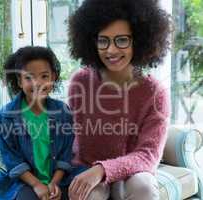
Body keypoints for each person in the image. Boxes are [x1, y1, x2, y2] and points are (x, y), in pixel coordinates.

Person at [67, 0, 171, 199]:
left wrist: (102, 170)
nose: (111, 50)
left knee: (145, 187)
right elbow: (71, 138)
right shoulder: (80, 82)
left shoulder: (155, 92)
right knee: (86, 193)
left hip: (132, 173)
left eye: (121, 40)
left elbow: (147, 155)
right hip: (87, 169)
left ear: (139, 41)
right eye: (103, 40)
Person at [0, 46, 75, 200]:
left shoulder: (63, 112)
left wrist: (54, 183)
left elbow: (65, 154)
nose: (37, 83)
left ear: (53, 77)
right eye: (29, 77)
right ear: (19, 81)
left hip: (58, 179)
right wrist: (37, 184)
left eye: (44, 76)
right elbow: (11, 158)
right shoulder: (7, 116)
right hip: (24, 182)